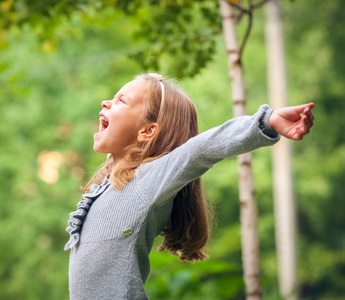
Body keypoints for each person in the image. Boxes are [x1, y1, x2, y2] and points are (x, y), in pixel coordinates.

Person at [64, 73, 314, 299]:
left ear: (147, 131)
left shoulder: (146, 183)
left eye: (121, 101)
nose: (105, 103)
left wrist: (266, 121)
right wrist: (148, 82)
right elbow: (120, 153)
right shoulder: (111, 182)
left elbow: (198, 151)